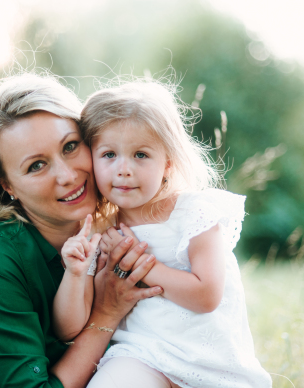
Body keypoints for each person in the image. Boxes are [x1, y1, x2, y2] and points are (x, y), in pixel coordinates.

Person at [0, 73, 163, 388]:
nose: (67, 175)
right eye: (37, 165)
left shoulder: (114, 231)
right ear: (7, 186)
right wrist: (106, 313)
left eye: (71, 146)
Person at [53, 80, 272, 388]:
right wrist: (75, 275)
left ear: (168, 162)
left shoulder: (194, 214)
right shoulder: (100, 231)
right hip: (140, 357)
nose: (124, 169)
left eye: (141, 155)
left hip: (210, 363)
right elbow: (68, 328)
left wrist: (142, 265)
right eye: (109, 155)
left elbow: (206, 295)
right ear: (92, 159)